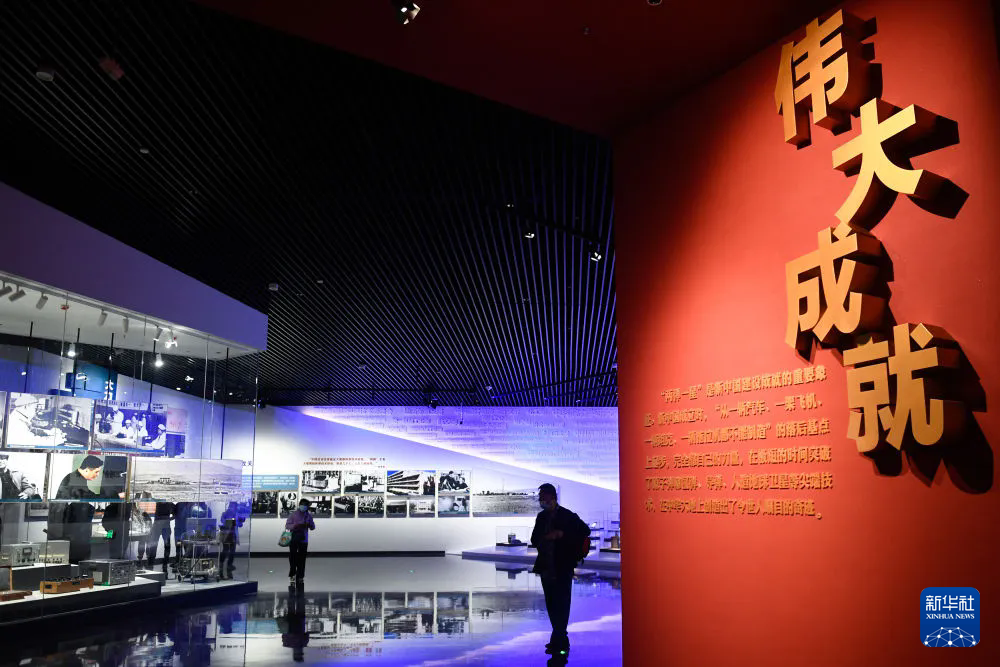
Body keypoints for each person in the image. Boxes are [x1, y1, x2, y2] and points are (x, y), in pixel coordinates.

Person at [530, 483, 590, 656]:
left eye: (543, 496)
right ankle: (558, 636)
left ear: (552, 497)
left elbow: (585, 531)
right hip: (546, 566)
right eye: (540, 497)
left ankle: (560, 638)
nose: (541, 499)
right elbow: (534, 539)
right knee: (551, 602)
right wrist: (545, 537)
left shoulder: (567, 515)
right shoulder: (541, 517)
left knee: (562, 602)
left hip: (563, 565)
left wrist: (561, 534)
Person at [52, 455, 105, 563]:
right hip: (74, 534)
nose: (97, 475)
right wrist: (113, 496)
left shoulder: (76, 478)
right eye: (96, 472)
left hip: (72, 531)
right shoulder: (75, 479)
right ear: (87, 469)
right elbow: (86, 497)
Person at [284, 498, 315, 583]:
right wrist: (295, 525)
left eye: (306, 506)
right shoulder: (293, 515)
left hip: (304, 540)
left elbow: (313, 527)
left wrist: (309, 525)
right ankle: (292, 575)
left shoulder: (308, 515)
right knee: (293, 557)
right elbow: (287, 526)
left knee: (302, 559)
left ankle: (300, 576)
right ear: (300, 505)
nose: (304, 507)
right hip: (293, 539)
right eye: (303, 505)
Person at [144, 502, 175, 572]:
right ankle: (162, 563)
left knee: (156, 544)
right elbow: (175, 514)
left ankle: (152, 563)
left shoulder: (165, 502)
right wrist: (167, 518)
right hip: (163, 524)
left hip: (160, 524)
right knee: (161, 545)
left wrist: (167, 518)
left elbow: (175, 514)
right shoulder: (168, 503)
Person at [219, 501, 245, 579]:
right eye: (233, 506)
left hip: (233, 535)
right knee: (225, 550)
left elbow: (240, 524)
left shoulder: (236, 514)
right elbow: (223, 521)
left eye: (235, 506)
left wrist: (239, 520)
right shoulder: (225, 513)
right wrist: (231, 520)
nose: (234, 508)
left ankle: (229, 566)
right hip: (226, 535)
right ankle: (221, 566)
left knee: (232, 552)